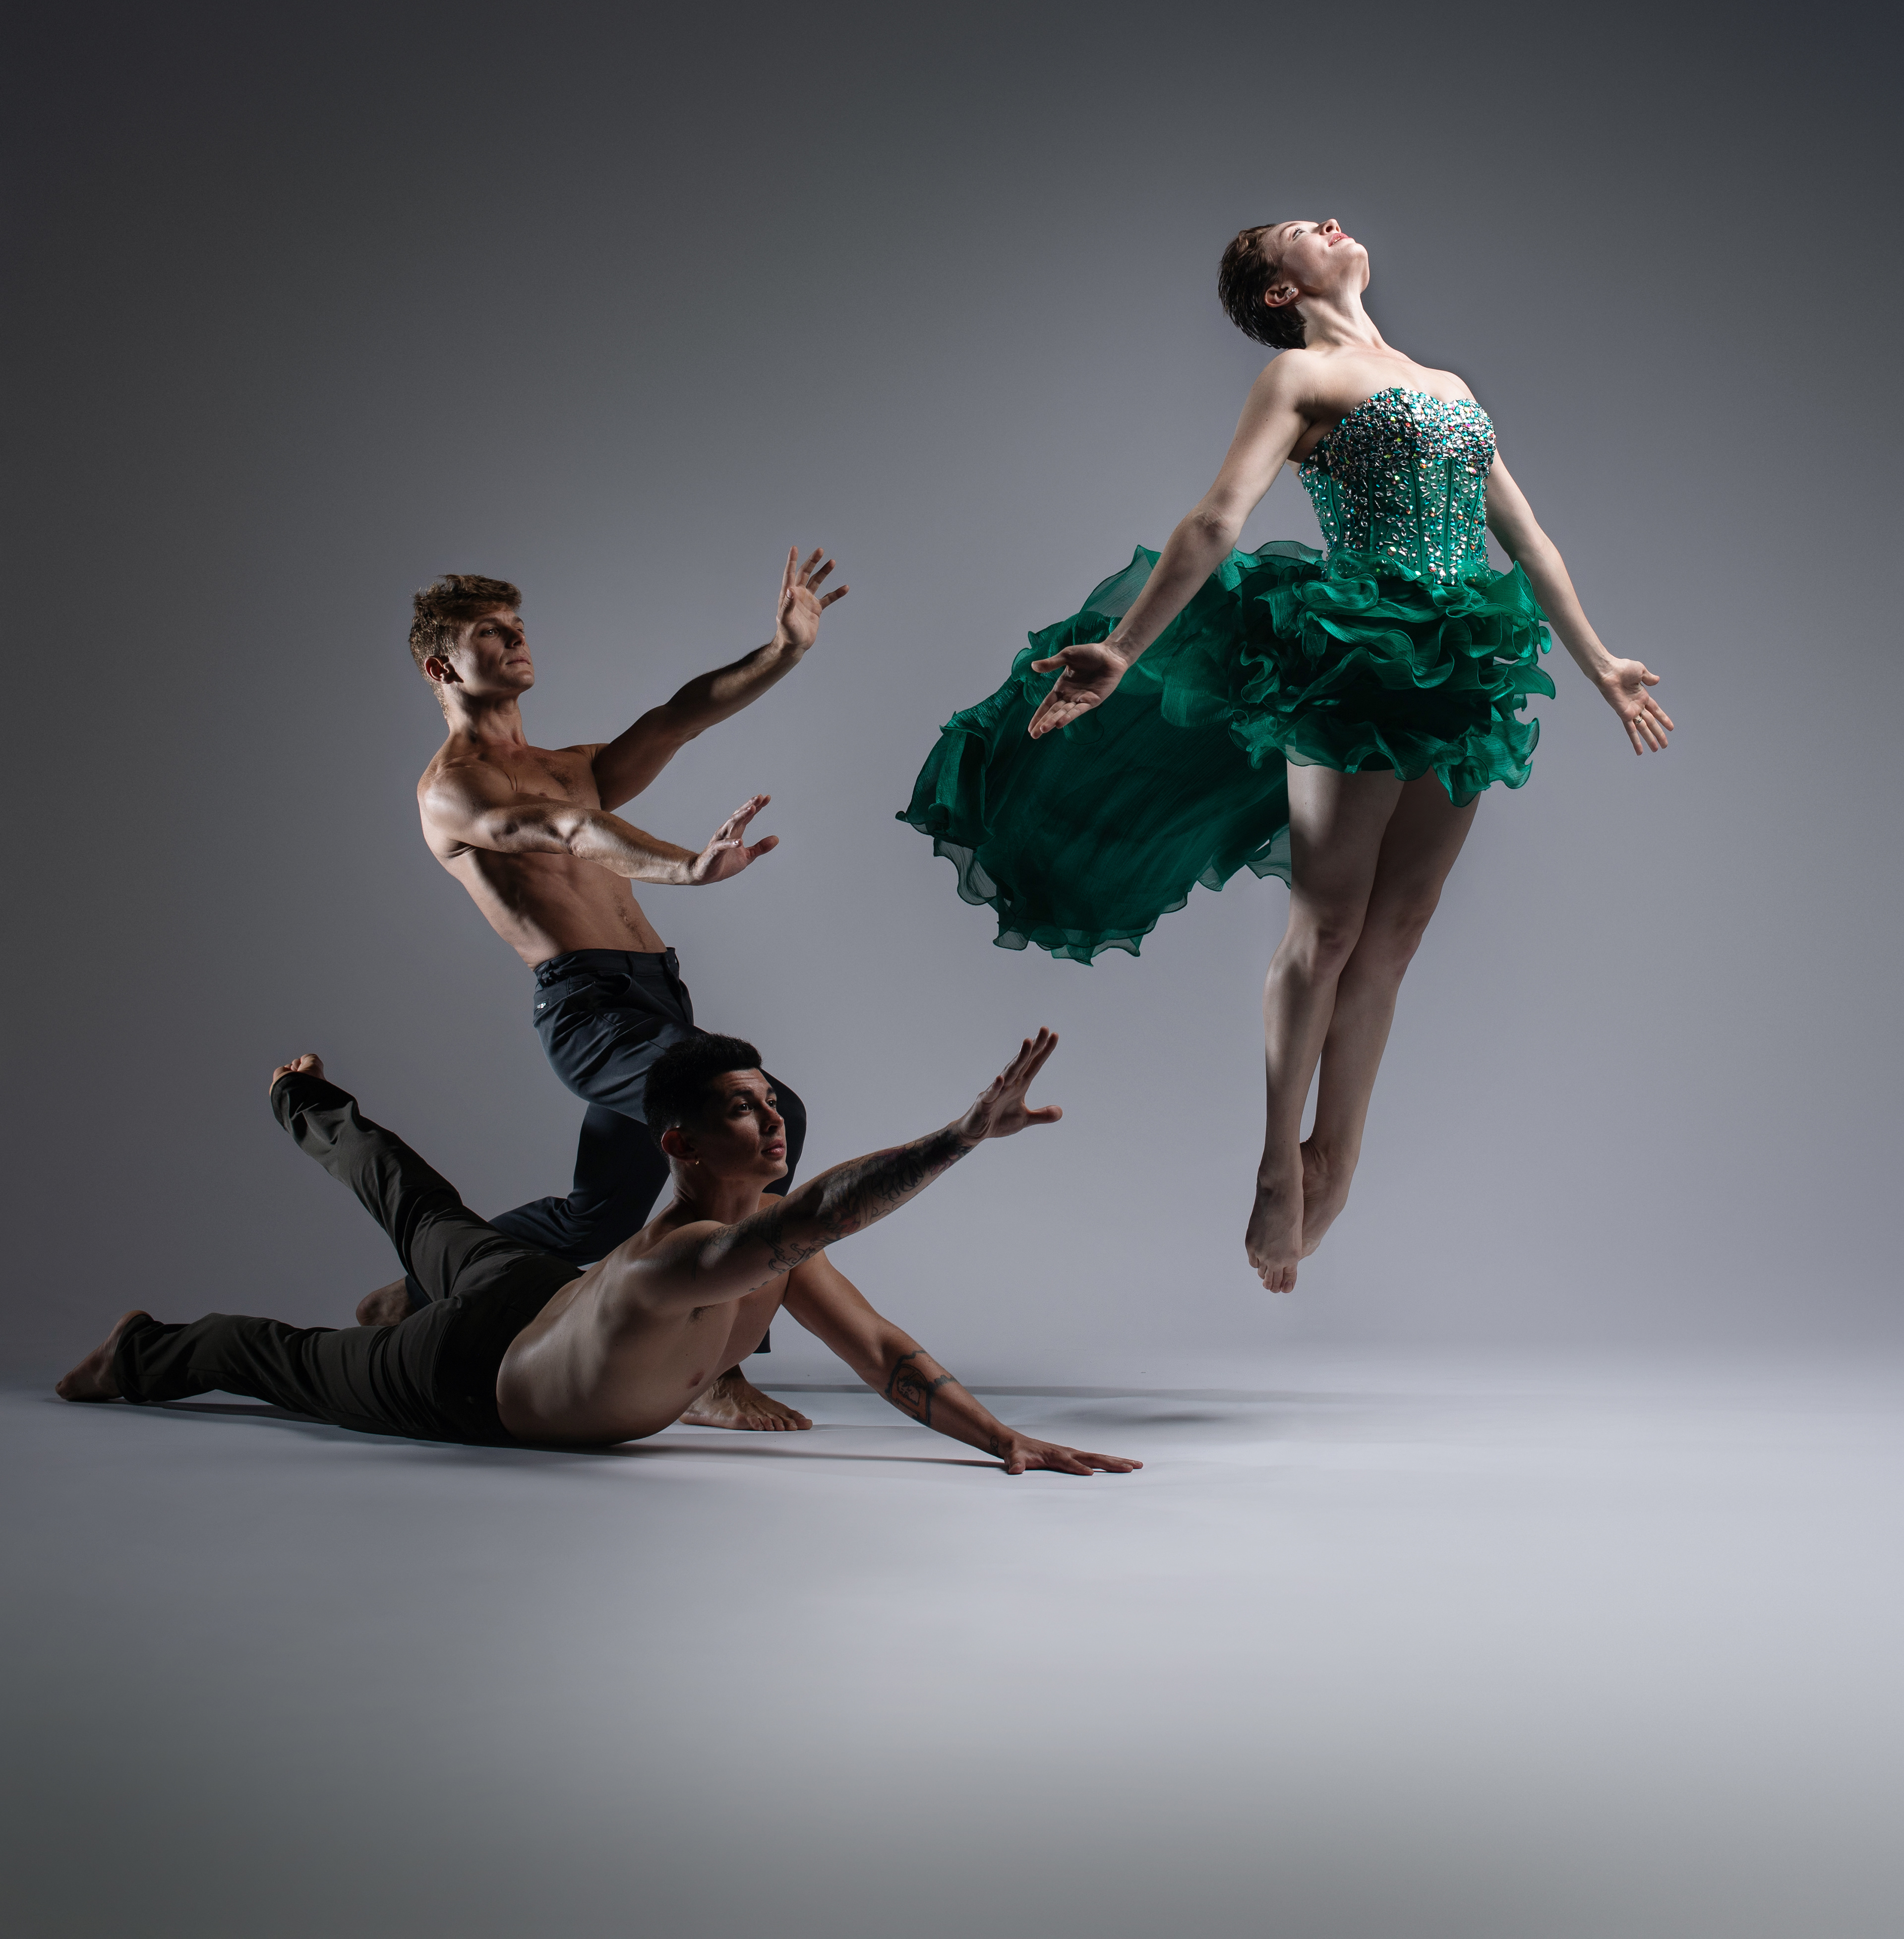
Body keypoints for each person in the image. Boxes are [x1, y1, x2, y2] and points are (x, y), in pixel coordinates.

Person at [900, 218, 1670, 1294]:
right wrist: (1126, 649)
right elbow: (1216, 520)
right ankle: (1277, 1160)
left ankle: (1335, 1159)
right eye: (1301, 231)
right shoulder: (1301, 377)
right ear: (1277, 293)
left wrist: (1601, 664)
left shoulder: (1448, 385)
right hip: (1355, 655)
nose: (1330, 223)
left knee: (1398, 931)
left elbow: (1527, 539)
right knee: (1333, 921)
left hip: (1463, 662)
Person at [57, 1036, 1140, 1479]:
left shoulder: (767, 1248)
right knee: (277, 1357)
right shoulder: (682, 1259)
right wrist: (958, 1138)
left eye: (771, 1102)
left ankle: (329, 1142)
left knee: (424, 1207)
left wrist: (1002, 1439)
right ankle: (140, 1349)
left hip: (535, 1294)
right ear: (679, 1145)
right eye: (741, 1110)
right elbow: (815, 1219)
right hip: (461, 1377)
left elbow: (885, 1353)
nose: (772, 1123)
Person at [361, 548, 849, 1435]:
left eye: (518, 625)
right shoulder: (452, 791)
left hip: (658, 1000)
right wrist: (685, 868)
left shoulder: (572, 764)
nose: (517, 639)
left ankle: (415, 1290)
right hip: (590, 1014)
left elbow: (677, 719)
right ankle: (716, 1366)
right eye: (490, 633)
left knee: (596, 1219)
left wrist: (782, 651)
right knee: (754, 1121)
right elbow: (569, 831)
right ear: (441, 668)